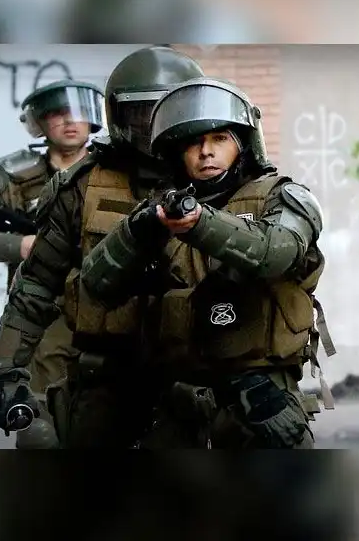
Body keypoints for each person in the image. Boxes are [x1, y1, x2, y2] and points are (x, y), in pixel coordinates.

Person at [80, 76, 337, 448]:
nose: (206, 152)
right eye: (193, 142)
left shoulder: (282, 197)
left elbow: (276, 252)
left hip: (259, 400)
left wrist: (200, 222)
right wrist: (140, 229)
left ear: (243, 144)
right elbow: (97, 283)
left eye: (219, 139)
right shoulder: (158, 210)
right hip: (173, 400)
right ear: (176, 153)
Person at [0, 46, 208, 448]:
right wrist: (7, 372)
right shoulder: (81, 186)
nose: (156, 127)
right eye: (143, 113)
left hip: (197, 380)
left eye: (169, 111)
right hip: (103, 380)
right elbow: (35, 287)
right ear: (117, 115)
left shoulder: (223, 180)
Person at [0, 79, 104, 448]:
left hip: (106, 310)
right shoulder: (12, 177)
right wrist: (21, 245)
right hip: (42, 314)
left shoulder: (113, 173)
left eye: (79, 112)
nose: (70, 121)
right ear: (39, 122)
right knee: (40, 423)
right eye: (58, 113)